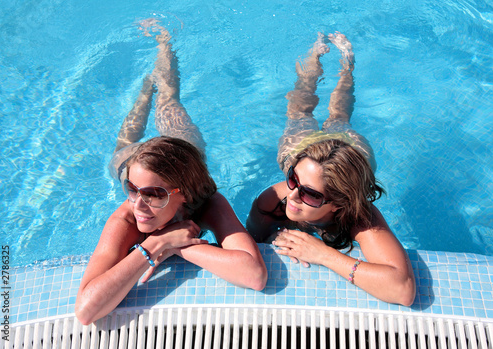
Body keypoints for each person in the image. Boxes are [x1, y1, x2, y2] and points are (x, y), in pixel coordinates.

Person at [76, 23, 267, 325]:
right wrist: (155, 245)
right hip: (131, 160)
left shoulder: (208, 202)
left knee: (168, 102)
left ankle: (165, 44)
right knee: (125, 144)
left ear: (185, 195)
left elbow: (254, 275)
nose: (137, 204)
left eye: (153, 195)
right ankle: (143, 93)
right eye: (131, 189)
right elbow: (87, 311)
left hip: (184, 150)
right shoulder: (127, 217)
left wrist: (174, 246)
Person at [246, 32, 415, 306]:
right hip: (305, 148)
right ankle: (313, 59)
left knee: (339, 116)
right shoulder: (272, 202)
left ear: (339, 203)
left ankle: (347, 66)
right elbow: (255, 243)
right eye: (292, 180)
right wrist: (277, 237)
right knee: (299, 112)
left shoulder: (359, 216)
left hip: (350, 149)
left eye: (311, 195)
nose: (292, 196)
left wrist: (323, 254)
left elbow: (402, 290)